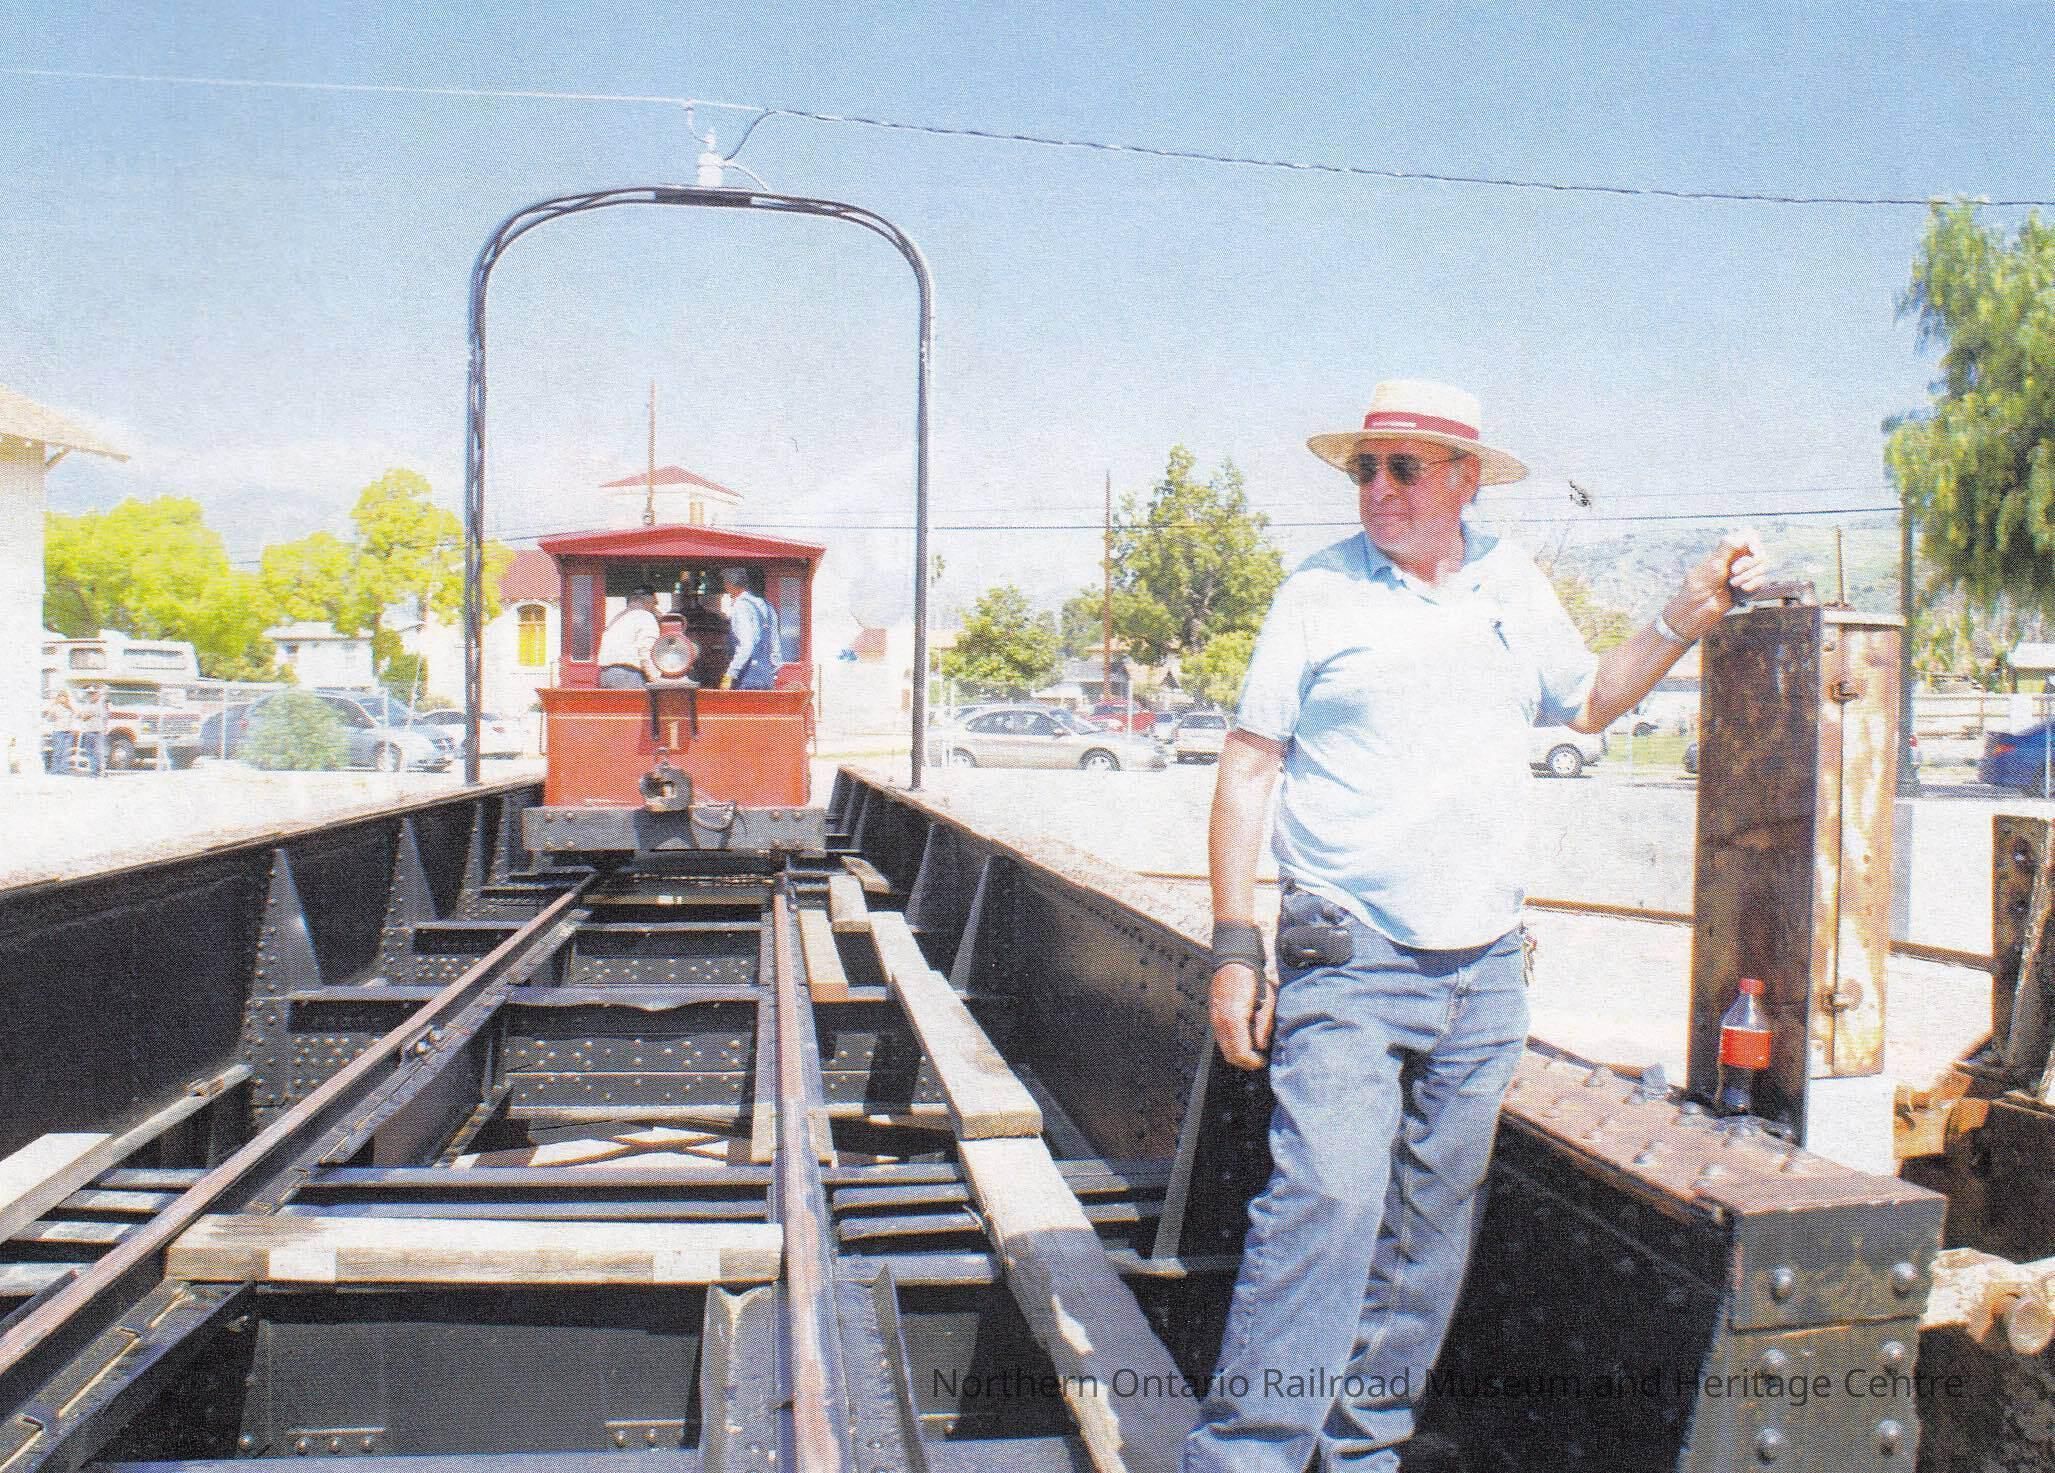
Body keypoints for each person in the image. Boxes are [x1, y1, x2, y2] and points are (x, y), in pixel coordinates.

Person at [1185, 380, 1766, 1472]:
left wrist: (1684, 615)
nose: (1378, 488)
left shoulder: (1512, 582)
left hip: (1485, 972)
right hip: (1348, 954)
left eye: (1403, 468)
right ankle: (1245, 1455)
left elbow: (1588, 700)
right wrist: (1233, 945)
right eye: (1364, 468)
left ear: (1464, 480)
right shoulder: (1316, 594)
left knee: (1426, 1231)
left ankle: (1361, 1454)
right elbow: (1250, 765)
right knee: (1324, 1208)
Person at [719, 567, 780, 690]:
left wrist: (729, 675)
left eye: (725, 584)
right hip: (766, 677)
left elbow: (746, 645)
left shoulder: (741, 606)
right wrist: (774, 672)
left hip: (745, 677)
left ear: (728, 584)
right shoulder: (767, 606)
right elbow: (775, 646)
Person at [596, 587, 662, 688]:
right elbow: (645, 651)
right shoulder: (646, 616)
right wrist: (655, 678)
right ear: (649, 601)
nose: (655, 608)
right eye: (654, 604)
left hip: (605, 675)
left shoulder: (617, 618)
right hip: (628, 674)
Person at [43, 687, 78, 775]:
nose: (62, 698)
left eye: (64, 696)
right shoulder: (55, 707)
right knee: (58, 751)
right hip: (58, 731)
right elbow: (49, 718)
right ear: (58, 698)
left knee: (65, 752)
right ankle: (55, 769)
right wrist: (52, 708)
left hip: (68, 732)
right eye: (60, 696)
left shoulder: (70, 707)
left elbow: (76, 716)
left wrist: (73, 728)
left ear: (66, 698)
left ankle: (64, 769)